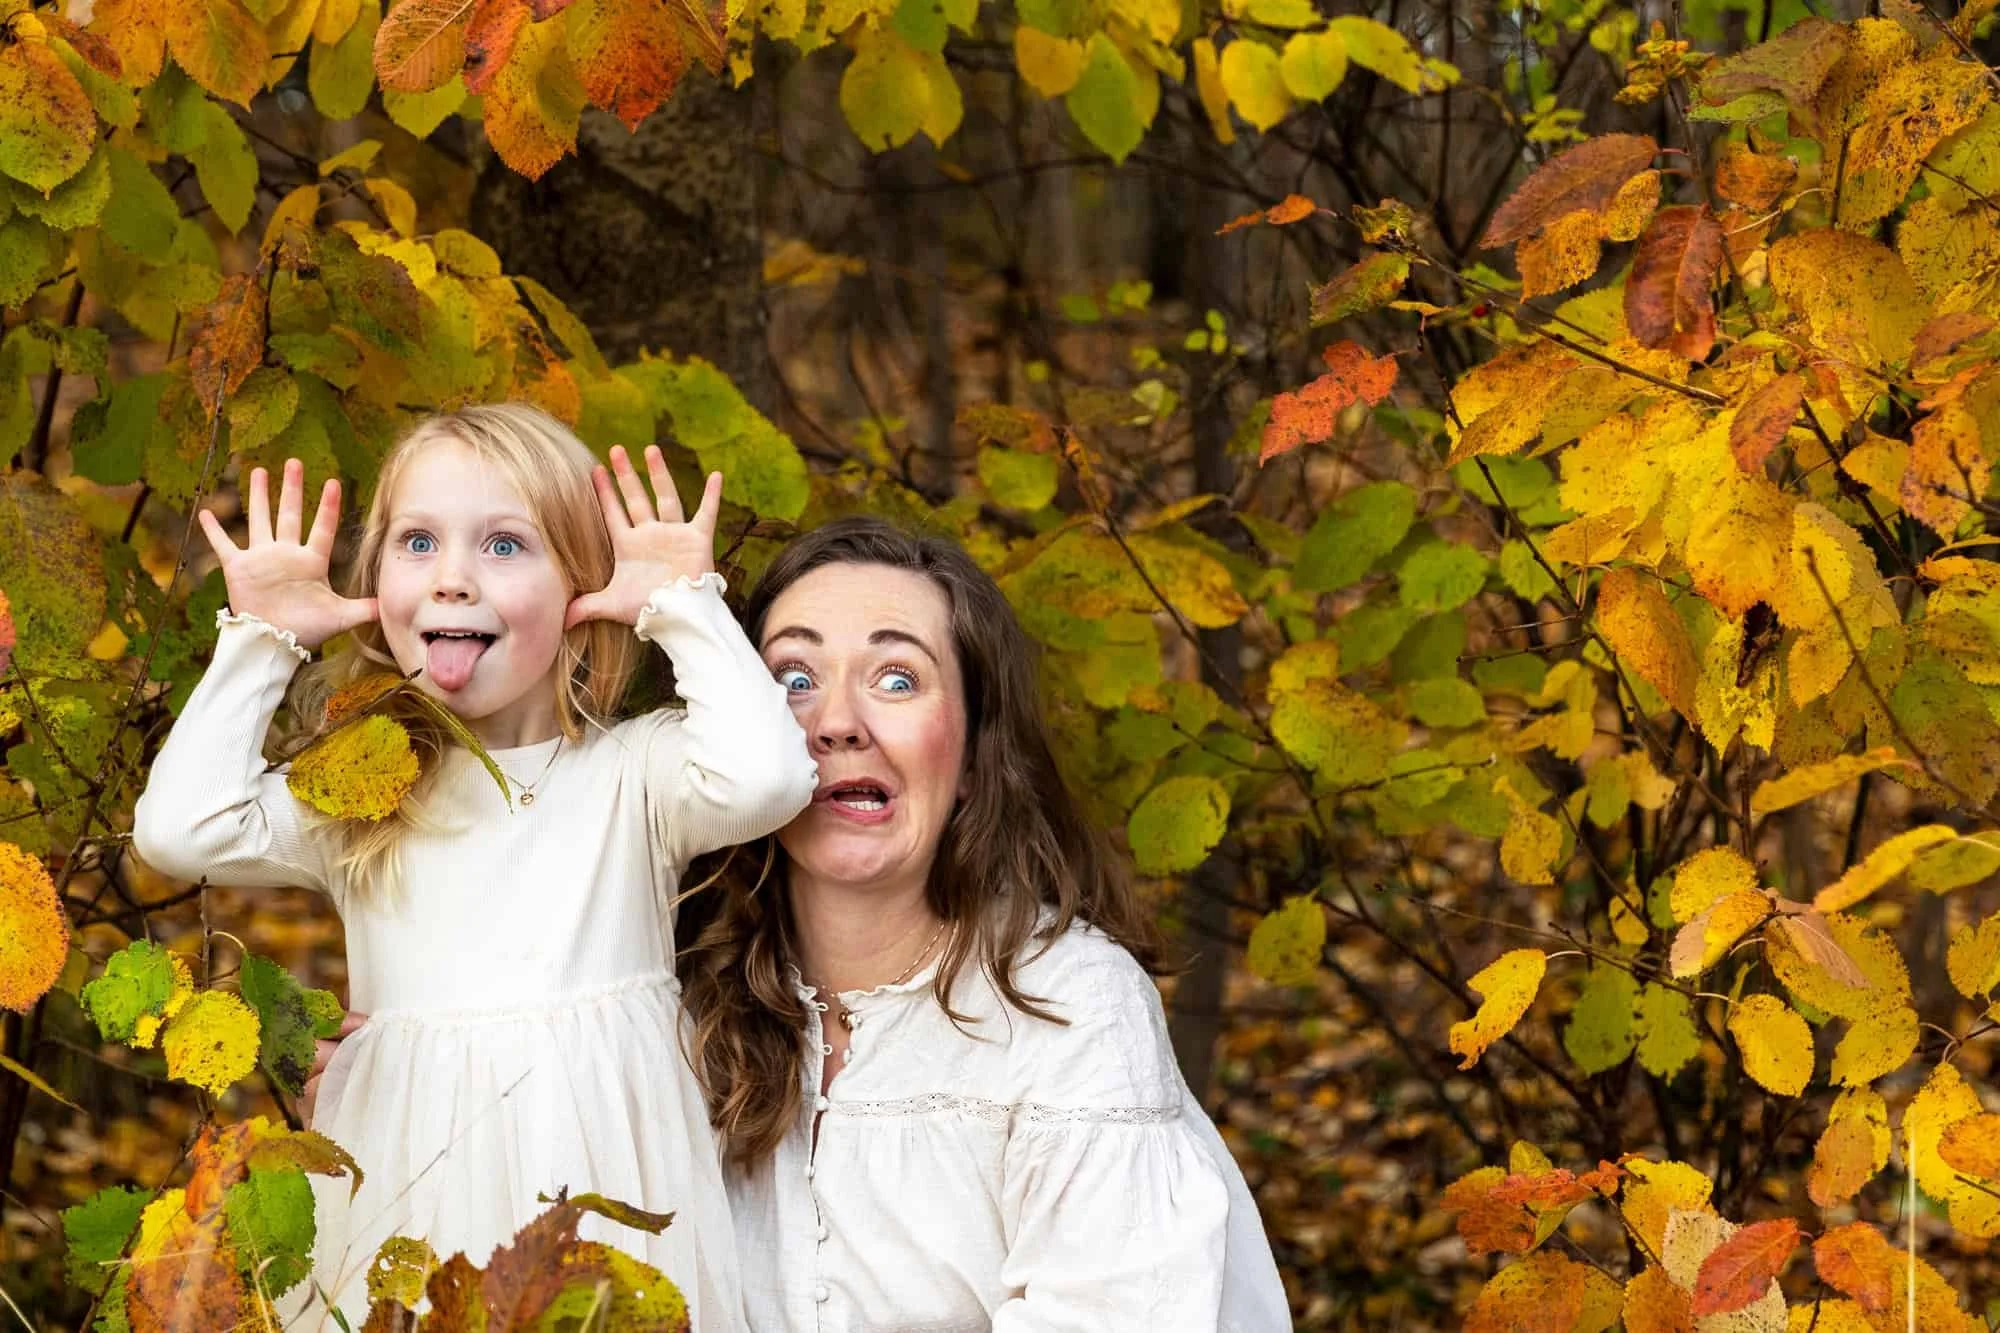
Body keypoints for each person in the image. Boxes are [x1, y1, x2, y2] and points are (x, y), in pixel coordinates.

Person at [131, 405, 818, 1329]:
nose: (453, 579)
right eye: (418, 541)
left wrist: (680, 604)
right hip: (409, 1185)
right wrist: (261, 641)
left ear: (584, 586)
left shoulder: (634, 774)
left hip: (603, 1191)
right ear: (376, 579)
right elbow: (180, 831)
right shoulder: (369, 795)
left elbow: (769, 777)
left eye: (504, 545)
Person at [678, 516, 1290, 1330]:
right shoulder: (678, 996)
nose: (837, 720)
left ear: (973, 757)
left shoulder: (1072, 1007)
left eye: (897, 679)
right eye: (794, 675)